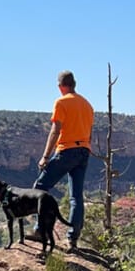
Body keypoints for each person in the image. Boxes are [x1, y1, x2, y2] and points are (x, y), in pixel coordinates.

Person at [33, 71, 94, 251]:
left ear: (61, 86)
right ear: (74, 84)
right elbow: (88, 132)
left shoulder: (61, 102)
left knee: (40, 187)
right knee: (76, 196)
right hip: (84, 151)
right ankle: (73, 238)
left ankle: (40, 230)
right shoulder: (87, 105)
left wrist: (45, 156)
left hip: (66, 150)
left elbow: (55, 130)